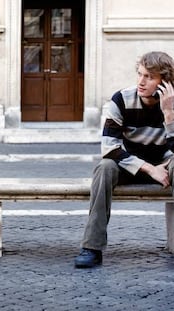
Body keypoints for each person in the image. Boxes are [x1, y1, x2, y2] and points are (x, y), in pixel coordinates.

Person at [74, 51, 174, 268]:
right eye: (140, 74)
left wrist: (168, 115)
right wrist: (149, 168)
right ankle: (92, 247)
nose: (141, 81)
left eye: (149, 76)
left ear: (164, 82)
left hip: (166, 167)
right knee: (104, 167)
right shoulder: (122, 99)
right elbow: (109, 149)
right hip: (130, 167)